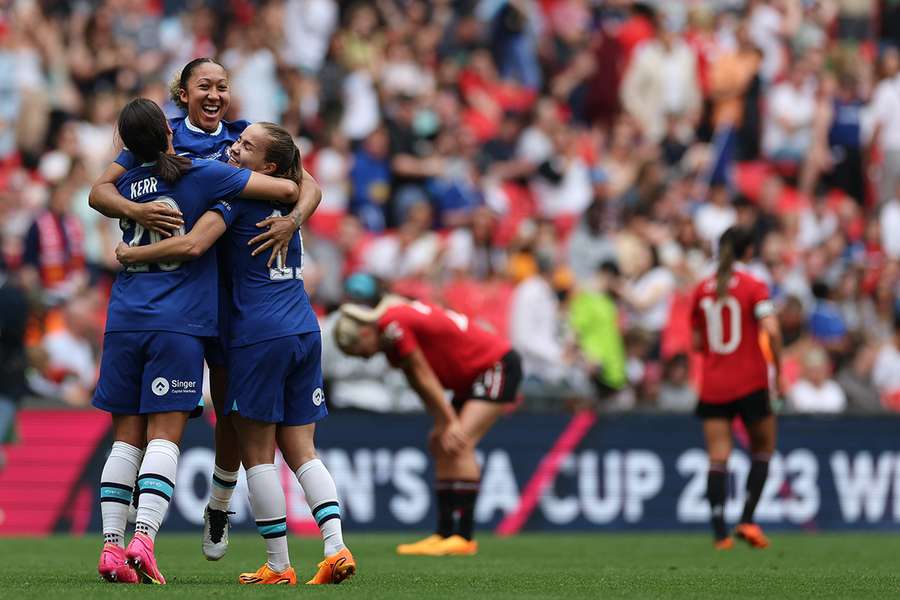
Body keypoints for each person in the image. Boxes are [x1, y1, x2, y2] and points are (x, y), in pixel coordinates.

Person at [88, 57, 323, 562]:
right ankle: (143, 528)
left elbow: (305, 183)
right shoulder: (163, 142)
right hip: (189, 301)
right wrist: (136, 210)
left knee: (230, 411)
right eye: (204, 86)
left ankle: (218, 503)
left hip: (233, 301)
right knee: (179, 422)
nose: (215, 94)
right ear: (184, 92)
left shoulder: (245, 138)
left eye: (222, 86)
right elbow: (97, 191)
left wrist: (293, 221)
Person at [115, 121, 354, 585]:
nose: (235, 147)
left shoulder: (234, 196)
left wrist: (130, 254)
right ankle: (335, 545)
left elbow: (193, 243)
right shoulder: (287, 199)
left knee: (258, 454)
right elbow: (307, 185)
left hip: (256, 334)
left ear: (267, 166)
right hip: (303, 326)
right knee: (303, 449)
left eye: (245, 146)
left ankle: (279, 563)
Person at [334, 294, 523, 556]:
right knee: (442, 444)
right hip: (471, 377)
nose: (365, 359)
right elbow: (418, 380)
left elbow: (422, 373)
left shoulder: (393, 324)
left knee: (459, 443)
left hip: (495, 365)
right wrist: (441, 421)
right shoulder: (391, 333)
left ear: (365, 333)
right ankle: (444, 533)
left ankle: (463, 537)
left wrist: (448, 421)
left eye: (359, 353)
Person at [690, 225, 784, 550]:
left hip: (714, 384)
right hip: (751, 382)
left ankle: (719, 535)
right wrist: (780, 371)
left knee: (718, 458)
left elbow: (698, 341)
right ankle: (747, 519)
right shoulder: (753, 286)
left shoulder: (702, 288)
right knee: (763, 449)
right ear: (749, 251)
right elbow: (771, 329)